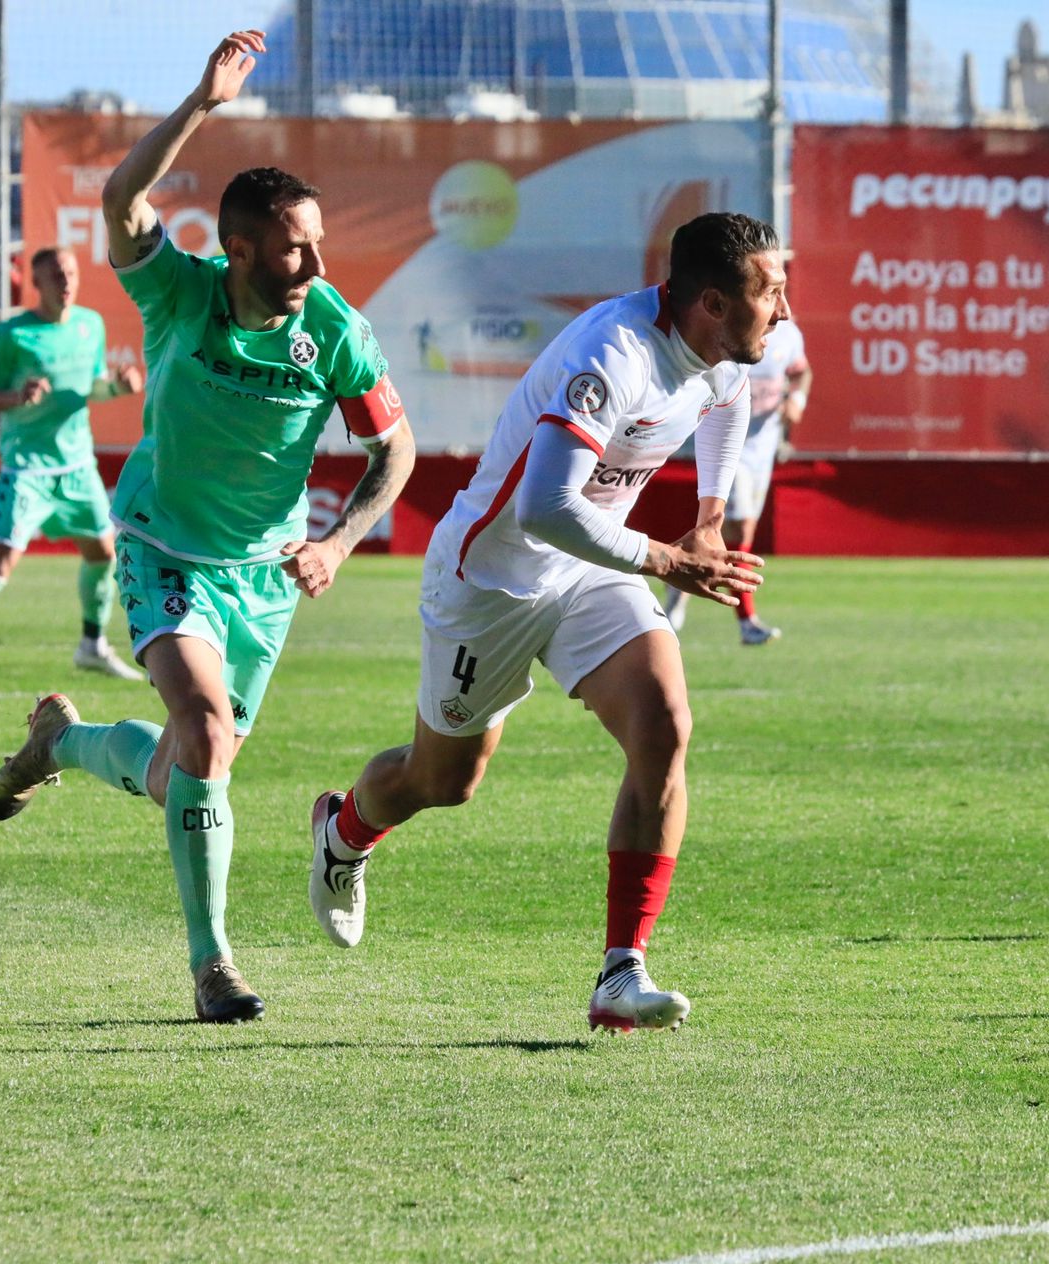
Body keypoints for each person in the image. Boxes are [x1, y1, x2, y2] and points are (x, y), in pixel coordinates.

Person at [0, 30, 415, 1023]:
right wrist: (198, 105)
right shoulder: (178, 293)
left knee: (188, 760)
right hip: (162, 545)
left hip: (265, 578)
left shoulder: (336, 333)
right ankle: (211, 963)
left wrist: (337, 541)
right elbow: (119, 205)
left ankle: (59, 743)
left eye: (315, 240)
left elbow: (393, 452)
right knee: (208, 733)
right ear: (240, 249)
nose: (312, 259)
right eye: (293, 244)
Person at [308, 211, 783, 1033]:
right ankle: (344, 830)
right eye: (770, 292)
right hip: (492, 579)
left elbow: (730, 399)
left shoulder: (722, 346)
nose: (783, 308)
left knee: (665, 727)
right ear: (711, 301)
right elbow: (544, 507)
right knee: (443, 782)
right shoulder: (613, 354)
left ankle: (620, 972)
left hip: (593, 570)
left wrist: (708, 515)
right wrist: (672, 559)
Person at [0, 247, 147, 685]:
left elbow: (88, 389)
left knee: (103, 554)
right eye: (55, 276)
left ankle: (92, 645)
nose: (66, 282)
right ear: (37, 284)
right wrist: (17, 397)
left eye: (70, 274)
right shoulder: (13, 334)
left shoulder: (90, 325)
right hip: (27, 470)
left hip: (77, 465)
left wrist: (118, 387)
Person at [664, 317, 808, 644]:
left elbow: (801, 372)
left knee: (739, 531)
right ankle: (747, 620)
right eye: (771, 292)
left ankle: (681, 577)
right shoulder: (729, 329)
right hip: (729, 441)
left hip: (764, 443)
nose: (781, 306)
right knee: (739, 528)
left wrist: (796, 400)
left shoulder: (788, 333)